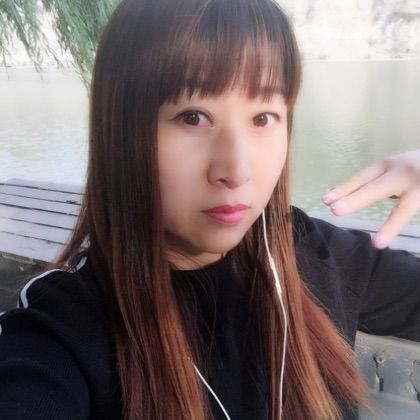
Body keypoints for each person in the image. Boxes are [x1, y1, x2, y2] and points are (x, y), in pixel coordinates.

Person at [0, 0, 419, 419]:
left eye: (263, 118)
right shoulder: (63, 330)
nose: (237, 171)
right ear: (121, 132)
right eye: (192, 117)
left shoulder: (317, 256)